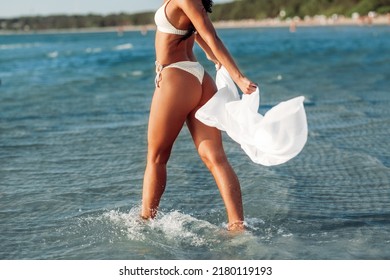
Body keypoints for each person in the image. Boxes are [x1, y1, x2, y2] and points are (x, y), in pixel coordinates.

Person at [141, 0, 257, 231]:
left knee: (157, 158)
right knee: (216, 158)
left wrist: (238, 77)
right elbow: (198, 30)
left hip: (175, 77)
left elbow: (213, 36)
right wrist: (210, 55)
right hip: (200, 79)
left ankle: (145, 223)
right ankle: (237, 226)